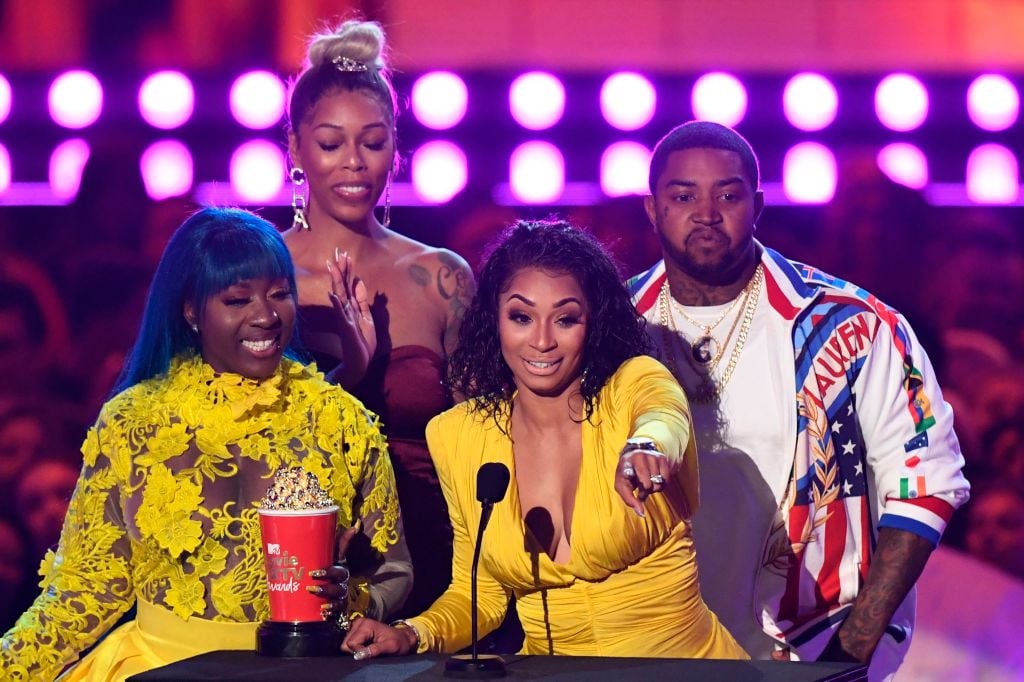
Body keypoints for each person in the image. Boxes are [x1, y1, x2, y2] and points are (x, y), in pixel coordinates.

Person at [0, 208, 410, 681]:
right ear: (191, 311)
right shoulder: (134, 422)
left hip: (302, 669)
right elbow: (85, 589)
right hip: (158, 668)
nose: (266, 316)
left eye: (280, 294)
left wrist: (353, 600)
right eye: (237, 300)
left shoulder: (341, 420)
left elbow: (393, 571)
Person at [627, 121, 970, 680]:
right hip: (652, 644)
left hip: (807, 644)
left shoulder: (855, 326)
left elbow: (928, 484)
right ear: (652, 208)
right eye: (683, 196)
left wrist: (849, 653)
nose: (706, 214)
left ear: (757, 206)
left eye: (728, 196)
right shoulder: (610, 328)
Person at [341, 219, 747, 659]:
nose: (542, 341)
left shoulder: (633, 383)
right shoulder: (459, 434)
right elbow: (479, 595)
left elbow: (663, 418)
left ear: (593, 323)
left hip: (685, 668)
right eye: (521, 317)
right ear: (494, 319)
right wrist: (410, 633)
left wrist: (647, 446)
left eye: (565, 319)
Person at [282, 19, 474, 618]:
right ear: (296, 149)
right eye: (331, 143)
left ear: (395, 148)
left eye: (372, 142)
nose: (354, 163)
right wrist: (350, 369)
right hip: (293, 561)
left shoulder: (442, 277)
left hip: (433, 561)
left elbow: (483, 434)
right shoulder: (259, 275)